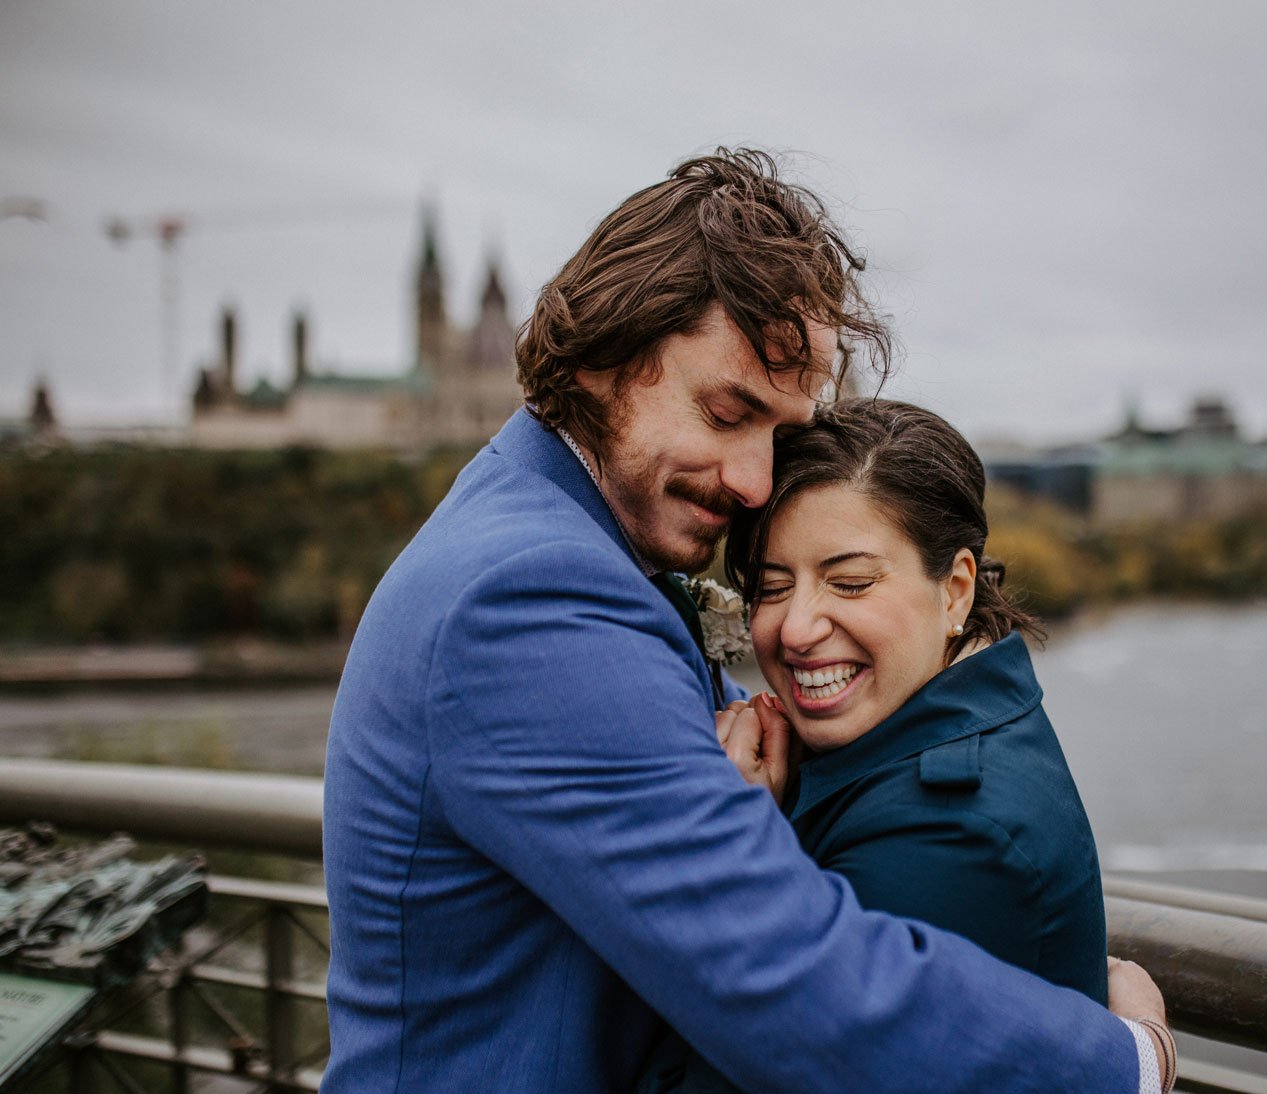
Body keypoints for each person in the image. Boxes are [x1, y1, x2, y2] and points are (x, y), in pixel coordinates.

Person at [322, 148, 1169, 1092]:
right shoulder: (529, 596)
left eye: (781, 435)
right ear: (603, 359)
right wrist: (1124, 1063)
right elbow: (786, 977)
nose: (758, 482)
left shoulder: (553, 530)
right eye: (728, 414)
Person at [636, 399, 1121, 1092]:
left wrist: (729, 839)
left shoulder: (954, 835)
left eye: (850, 583)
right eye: (772, 587)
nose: (796, 628)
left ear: (955, 591)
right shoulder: (885, 739)